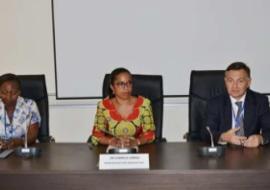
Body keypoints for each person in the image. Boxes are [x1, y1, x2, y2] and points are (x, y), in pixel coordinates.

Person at [206, 62, 270, 148]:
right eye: (230, 81)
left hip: (251, 152)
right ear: (225, 81)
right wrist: (223, 137)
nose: (235, 86)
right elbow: (206, 132)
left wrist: (260, 138)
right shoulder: (215, 103)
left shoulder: (260, 101)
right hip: (223, 153)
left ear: (248, 82)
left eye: (240, 81)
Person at [91, 68, 156, 147]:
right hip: (112, 151)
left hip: (139, 151)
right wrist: (110, 141)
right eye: (121, 84)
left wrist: (136, 142)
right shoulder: (103, 106)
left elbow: (150, 135)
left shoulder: (144, 104)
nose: (126, 87)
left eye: (129, 83)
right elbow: (97, 135)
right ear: (112, 87)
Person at [0, 73, 41, 149]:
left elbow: (33, 134)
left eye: (14, 93)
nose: (9, 97)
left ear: (19, 92)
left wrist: (19, 142)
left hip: (25, 150)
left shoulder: (30, 105)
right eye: (4, 92)